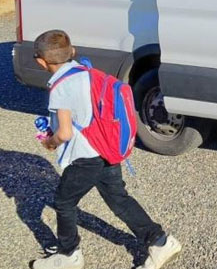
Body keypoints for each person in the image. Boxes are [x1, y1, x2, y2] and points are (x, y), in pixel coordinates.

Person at [30, 30, 181, 269]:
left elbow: (65, 133)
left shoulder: (61, 86)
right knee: (118, 199)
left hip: (85, 156)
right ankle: (160, 242)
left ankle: (69, 256)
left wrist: (50, 142)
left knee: (63, 202)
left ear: (41, 61)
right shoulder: (86, 72)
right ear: (73, 52)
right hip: (107, 147)